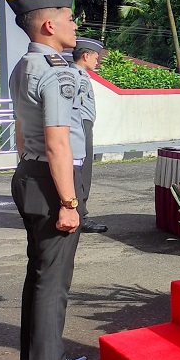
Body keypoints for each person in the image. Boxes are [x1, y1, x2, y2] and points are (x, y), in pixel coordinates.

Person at [2, 0, 101, 360]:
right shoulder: (55, 72)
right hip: (52, 179)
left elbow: (23, 133)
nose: (74, 25)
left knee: (40, 270)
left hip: (31, 172)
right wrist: (69, 201)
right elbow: (58, 141)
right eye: (68, 17)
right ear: (48, 26)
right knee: (53, 276)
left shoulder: (23, 66)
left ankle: (44, 355)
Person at [71, 37, 108, 232]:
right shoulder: (76, 75)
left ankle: (79, 213)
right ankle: (81, 216)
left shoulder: (79, 74)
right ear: (85, 56)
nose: (97, 61)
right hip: (80, 125)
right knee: (82, 171)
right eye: (95, 57)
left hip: (83, 124)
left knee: (82, 170)